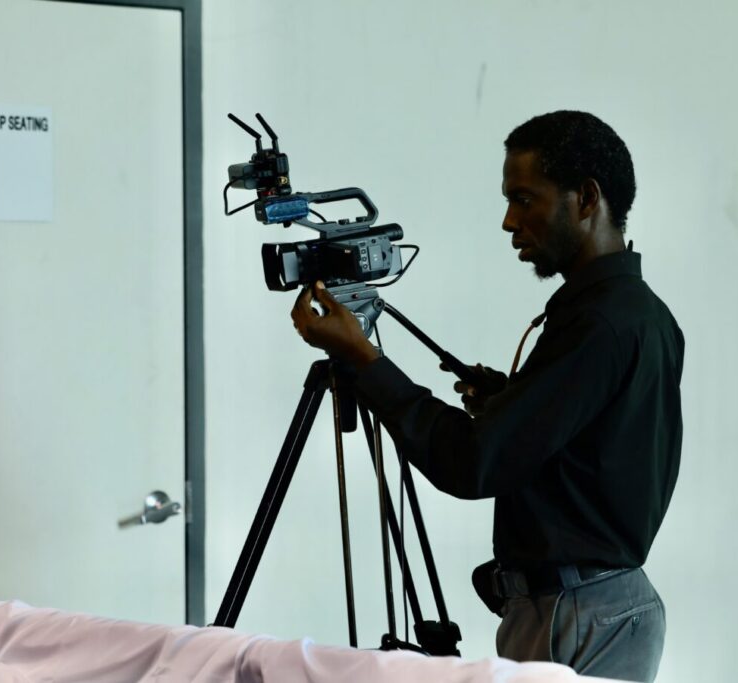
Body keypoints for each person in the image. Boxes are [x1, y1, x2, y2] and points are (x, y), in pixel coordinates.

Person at [291, 111, 684, 682]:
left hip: (578, 614)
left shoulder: (599, 325)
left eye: (524, 199)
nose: (508, 221)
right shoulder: (637, 314)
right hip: (585, 607)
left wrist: (364, 362)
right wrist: (513, 401)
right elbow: (602, 449)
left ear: (585, 198)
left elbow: (473, 463)